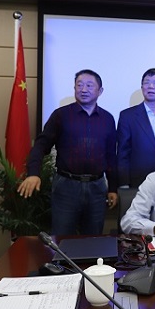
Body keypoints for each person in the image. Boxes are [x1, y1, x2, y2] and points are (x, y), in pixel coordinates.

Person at [18, 69, 117, 235]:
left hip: (97, 188)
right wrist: (33, 173)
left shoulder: (108, 119)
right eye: (79, 85)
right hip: (66, 187)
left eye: (89, 85)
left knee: (93, 238)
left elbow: (111, 156)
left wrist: (113, 188)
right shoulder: (61, 115)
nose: (83, 89)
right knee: (62, 238)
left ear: (100, 91)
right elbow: (41, 145)